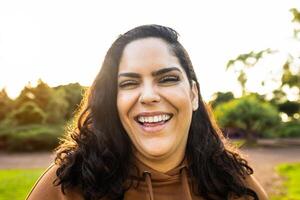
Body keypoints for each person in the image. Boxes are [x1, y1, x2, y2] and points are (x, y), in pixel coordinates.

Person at [26, 24, 268, 200]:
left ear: (193, 94)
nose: (149, 95)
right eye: (129, 83)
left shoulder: (236, 186)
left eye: (167, 79)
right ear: (114, 101)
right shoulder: (66, 188)